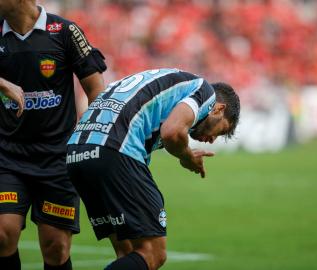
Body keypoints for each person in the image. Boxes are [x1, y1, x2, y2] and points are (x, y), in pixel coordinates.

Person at [66, 68, 240, 270]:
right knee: (153, 252)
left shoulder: (165, 88)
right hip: (114, 150)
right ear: (218, 109)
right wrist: (186, 156)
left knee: (129, 252)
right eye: (221, 131)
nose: (211, 140)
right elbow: (172, 132)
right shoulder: (204, 91)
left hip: (77, 153)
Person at [0, 1, 106, 270]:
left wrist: (90, 138)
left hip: (57, 159)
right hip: (7, 156)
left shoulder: (65, 31)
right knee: (2, 233)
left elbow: (95, 88)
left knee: (55, 247)